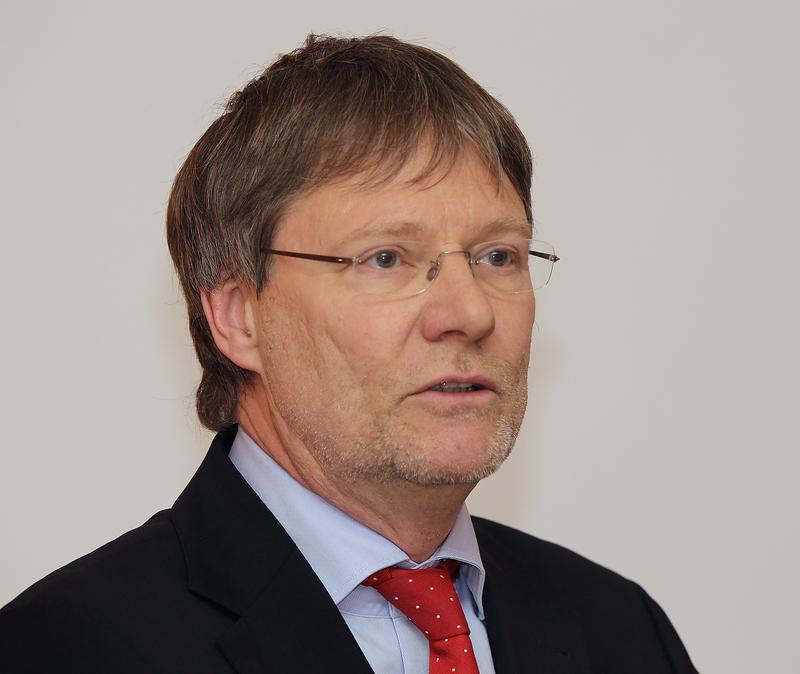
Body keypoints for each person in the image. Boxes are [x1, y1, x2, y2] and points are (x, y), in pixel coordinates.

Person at [0, 34, 698, 673]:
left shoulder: (620, 629)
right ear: (239, 316)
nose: (470, 313)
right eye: (386, 258)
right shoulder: (67, 648)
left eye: (497, 256)